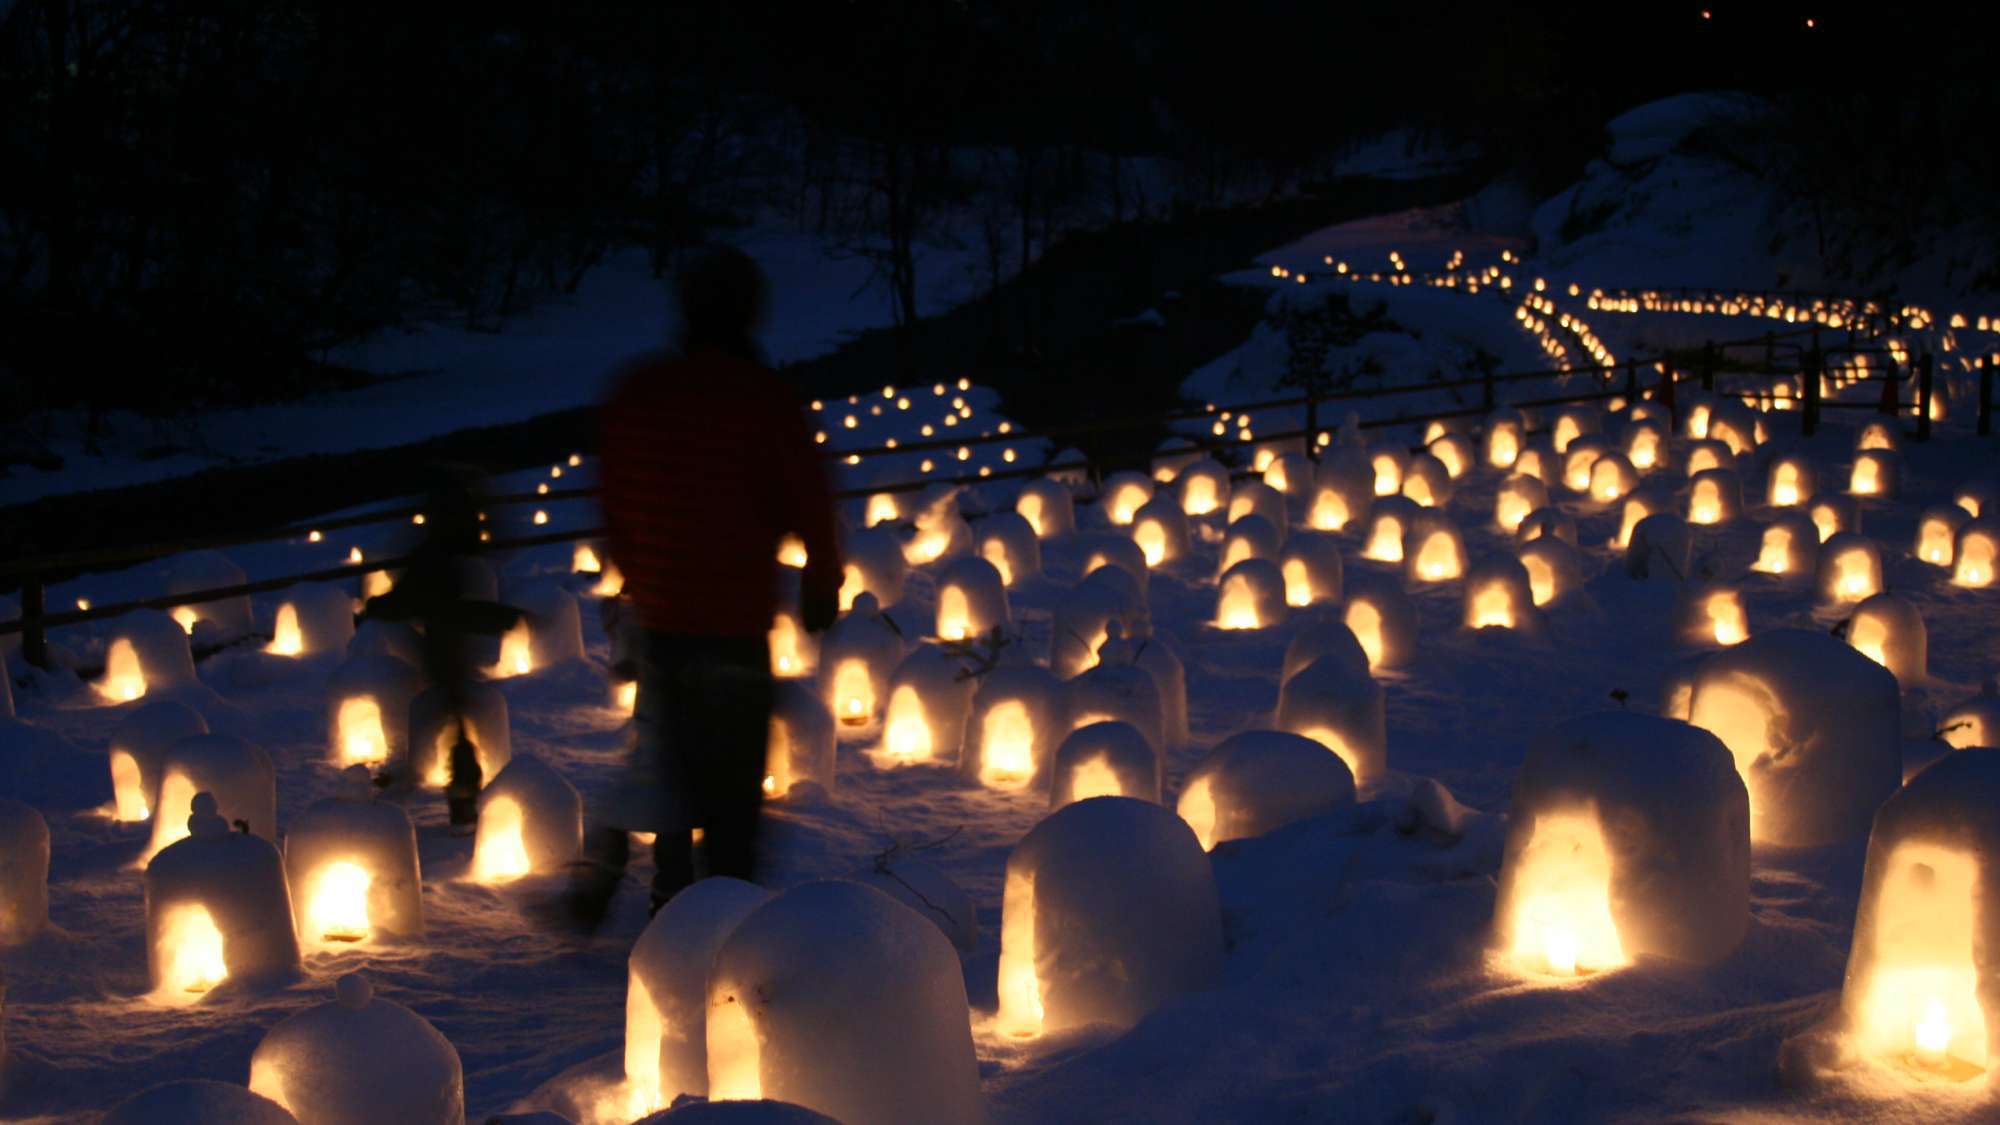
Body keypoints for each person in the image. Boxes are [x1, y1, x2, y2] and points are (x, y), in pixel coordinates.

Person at [570, 244, 842, 928]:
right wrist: (820, 580)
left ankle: (664, 894)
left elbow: (614, 497)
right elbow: (809, 499)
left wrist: (641, 576)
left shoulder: (639, 391)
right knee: (729, 791)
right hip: (734, 620)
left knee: (668, 757)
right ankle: (722, 921)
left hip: (664, 617)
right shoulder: (763, 399)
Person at [358, 465, 523, 831]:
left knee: (453, 714)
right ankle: (456, 792)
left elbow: (412, 599)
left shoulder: (436, 557)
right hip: (458, 645)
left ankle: (455, 791)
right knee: (453, 713)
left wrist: (376, 608)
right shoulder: (464, 554)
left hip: (449, 646)